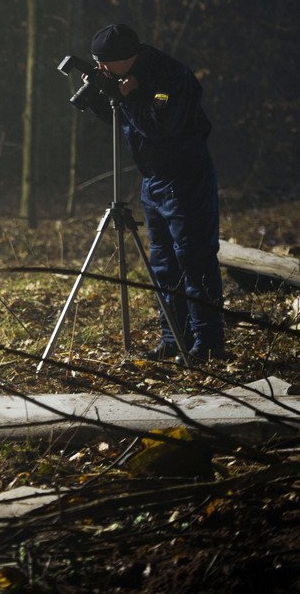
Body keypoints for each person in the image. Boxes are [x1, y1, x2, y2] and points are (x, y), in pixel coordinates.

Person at [86, 23, 226, 365]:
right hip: (153, 180)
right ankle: (174, 338)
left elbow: (160, 126)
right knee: (164, 265)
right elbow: (122, 120)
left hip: (186, 177)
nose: (101, 68)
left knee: (194, 260)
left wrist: (131, 96)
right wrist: (101, 97)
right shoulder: (126, 75)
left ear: (126, 57)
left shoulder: (169, 76)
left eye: (104, 62)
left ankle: (207, 344)